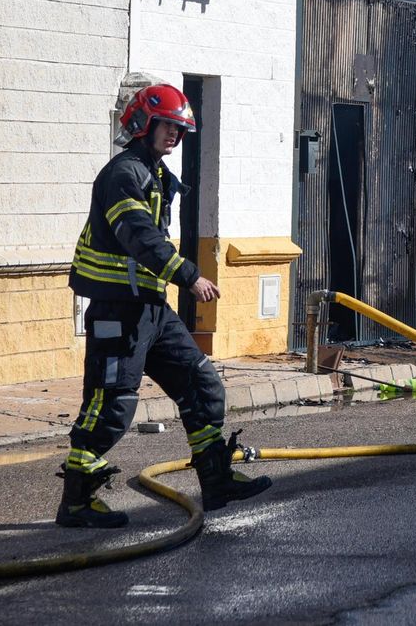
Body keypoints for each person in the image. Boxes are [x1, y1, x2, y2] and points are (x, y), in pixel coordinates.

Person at [57, 83, 271, 528]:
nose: (175, 135)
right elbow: (138, 235)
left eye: (180, 129)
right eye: (168, 126)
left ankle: (216, 480)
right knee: (112, 405)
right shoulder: (123, 174)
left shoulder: (153, 174)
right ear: (143, 124)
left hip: (151, 311)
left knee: (202, 382)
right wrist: (189, 276)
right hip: (118, 312)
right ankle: (77, 501)